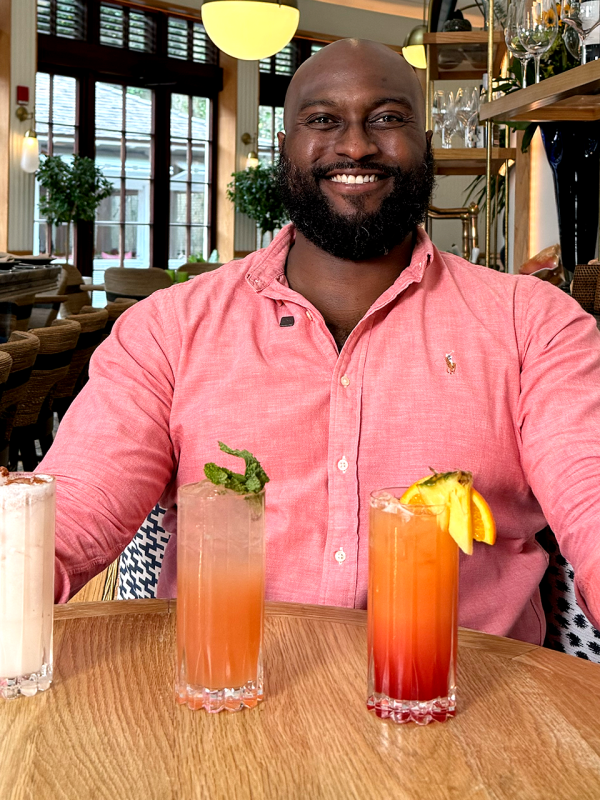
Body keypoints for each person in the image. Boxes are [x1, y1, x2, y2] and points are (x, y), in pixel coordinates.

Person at [40, 39, 600, 646]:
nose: (356, 144)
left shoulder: (535, 325)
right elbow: (73, 510)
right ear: (286, 148)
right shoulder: (168, 328)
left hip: (470, 709)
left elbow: (590, 495)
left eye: (387, 118)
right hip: (224, 704)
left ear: (425, 146)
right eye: (323, 120)